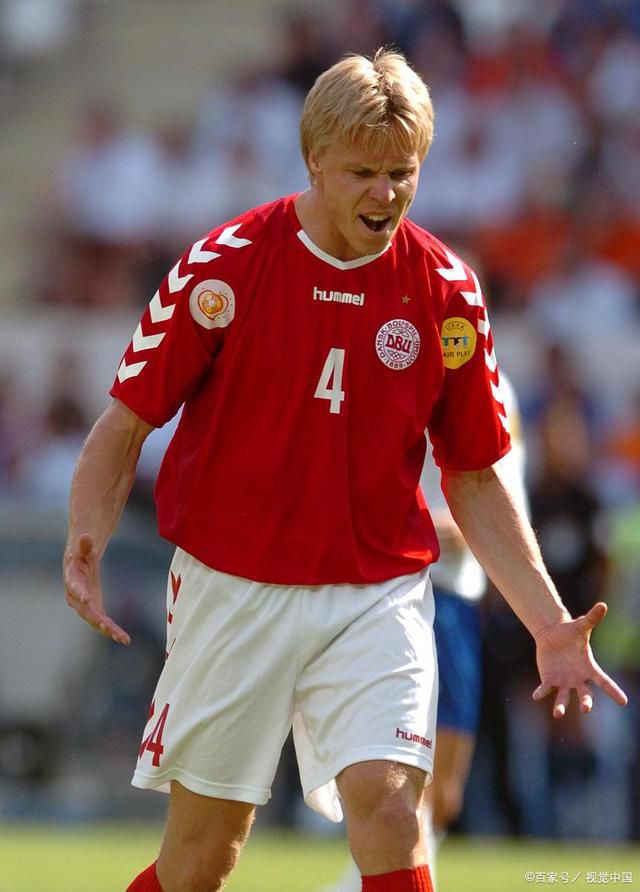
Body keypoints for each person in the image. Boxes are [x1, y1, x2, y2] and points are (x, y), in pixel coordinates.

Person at [63, 49, 627, 892]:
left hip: (375, 592)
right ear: (314, 161)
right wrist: (85, 538)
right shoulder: (224, 265)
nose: (386, 193)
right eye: (363, 171)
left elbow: (475, 476)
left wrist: (550, 624)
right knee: (201, 859)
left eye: (402, 172)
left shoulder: (446, 292)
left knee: (396, 812)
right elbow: (127, 421)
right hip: (234, 587)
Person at [325, 374, 527, 892]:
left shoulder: (497, 390)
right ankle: (363, 880)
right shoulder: (399, 367)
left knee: (447, 788)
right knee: (404, 774)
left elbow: (502, 495)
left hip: (458, 601)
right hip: (403, 592)